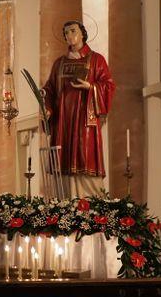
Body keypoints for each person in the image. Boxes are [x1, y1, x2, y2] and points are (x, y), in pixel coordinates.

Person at [41, 21, 115, 198]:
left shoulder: (96, 60)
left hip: (84, 118)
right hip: (64, 120)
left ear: (82, 33)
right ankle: (66, 198)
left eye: (73, 31)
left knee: (85, 155)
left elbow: (108, 85)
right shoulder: (59, 63)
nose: (69, 35)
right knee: (64, 158)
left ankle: (89, 200)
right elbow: (50, 88)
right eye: (66, 32)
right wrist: (45, 98)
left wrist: (90, 86)